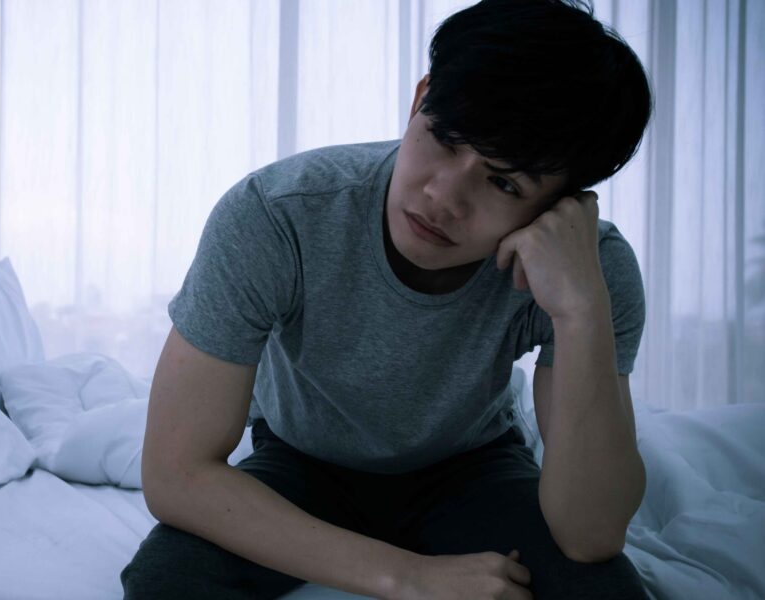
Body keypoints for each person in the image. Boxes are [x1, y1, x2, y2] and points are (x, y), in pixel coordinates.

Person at [122, 0, 653, 598]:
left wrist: (580, 311)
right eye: (444, 139)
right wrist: (407, 575)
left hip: (471, 467)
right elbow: (175, 473)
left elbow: (591, 535)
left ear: (562, 203)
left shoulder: (592, 271)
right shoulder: (277, 215)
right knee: (167, 582)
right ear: (420, 99)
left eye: (504, 182)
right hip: (301, 459)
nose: (442, 197)